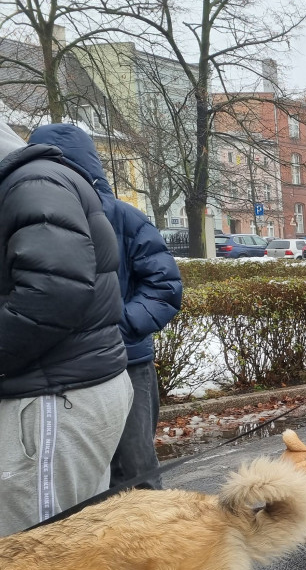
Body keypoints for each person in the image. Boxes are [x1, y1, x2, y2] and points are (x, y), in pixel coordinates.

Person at [29, 123, 183, 490]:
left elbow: (165, 286)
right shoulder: (30, 216)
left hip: (127, 363)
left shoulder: (124, 217)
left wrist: (117, 328)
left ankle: (154, 545)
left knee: (136, 466)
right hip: (58, 372)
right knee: (77, 476)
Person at [0, 121, 133, 538]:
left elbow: (54, 293)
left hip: (54, 396)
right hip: (63, 388)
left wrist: (132, 325)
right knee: (73, 553)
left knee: (42, 562)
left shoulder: (34, 182)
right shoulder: (32, 182)